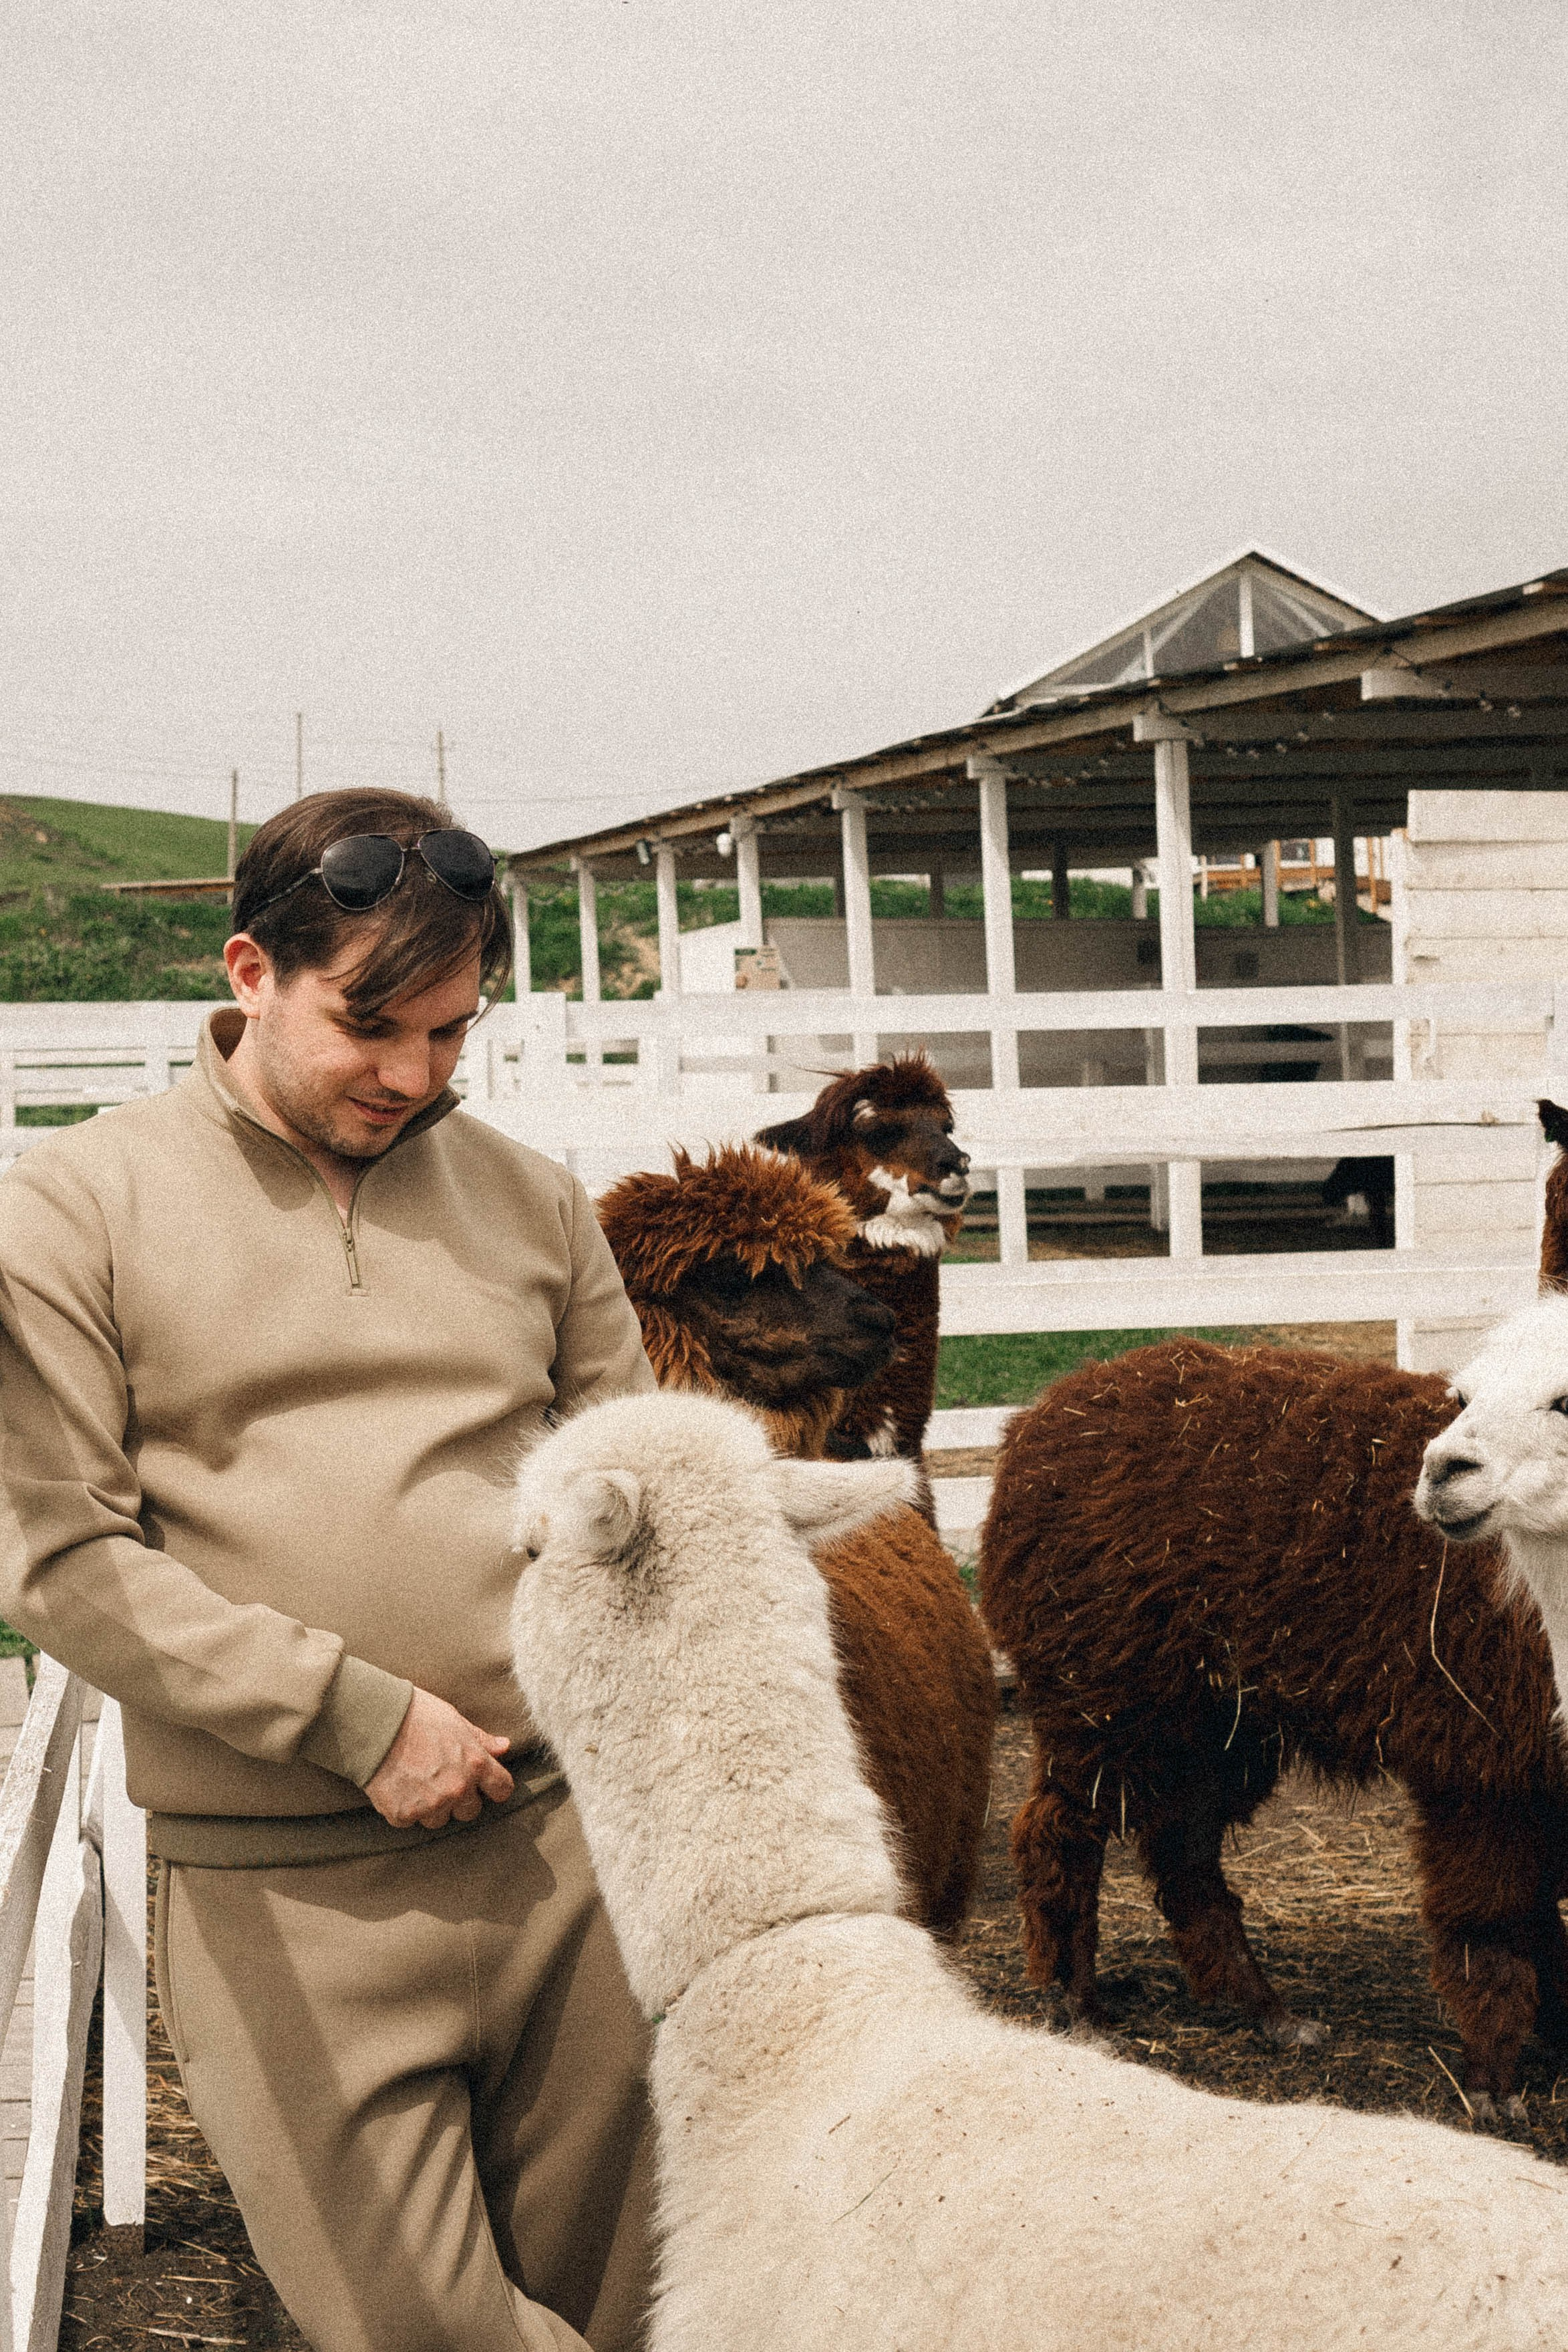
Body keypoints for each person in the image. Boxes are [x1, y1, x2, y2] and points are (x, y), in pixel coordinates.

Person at [0, 788, 658, 2352]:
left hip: (570, 1858)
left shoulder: (532, 1200)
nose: (415, 1076)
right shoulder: (72, 1206)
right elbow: (61, 1557)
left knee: (630, 2310)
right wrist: (359, 1717)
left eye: (452, 1032)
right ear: (248, 971)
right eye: (374, 1025)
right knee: (425, 2331)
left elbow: (634, 1487)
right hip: (284, 1879)